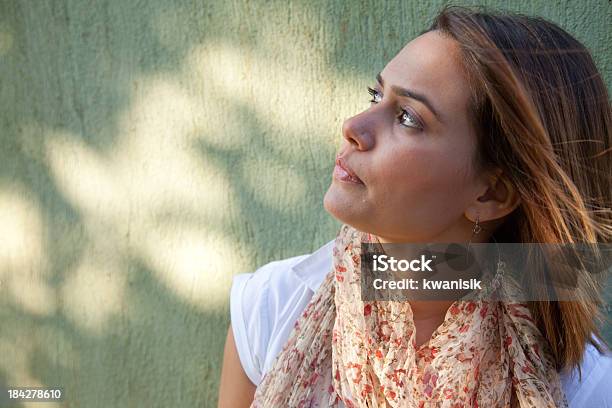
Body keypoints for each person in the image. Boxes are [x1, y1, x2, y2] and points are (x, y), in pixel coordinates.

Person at [218, 5, 612, 407]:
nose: (353, 127)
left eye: (407, 117)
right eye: (375, 94)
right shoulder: (271, 309)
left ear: (490, 195)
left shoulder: (587, 390)